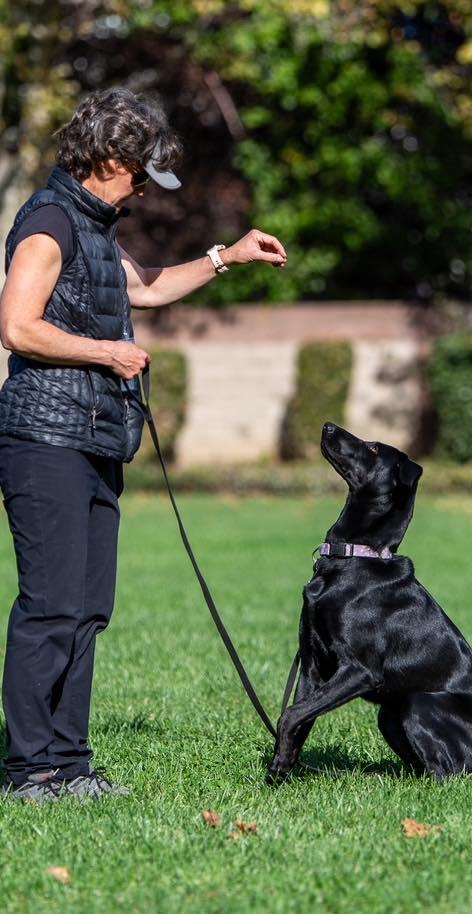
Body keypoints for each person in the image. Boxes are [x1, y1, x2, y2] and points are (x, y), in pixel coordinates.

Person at [0, 87, 287, 801]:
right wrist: (106, 353)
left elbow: (148, 291)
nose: (140, 189)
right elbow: (18, 326)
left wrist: (230, 257)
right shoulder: (48, 224)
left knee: (89, 608)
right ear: (104, 158)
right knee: (51, 608)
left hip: (95, 438)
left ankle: (70, 765)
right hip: (44, 440)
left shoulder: (95, 226)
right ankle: (29, 769)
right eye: (135, 173)